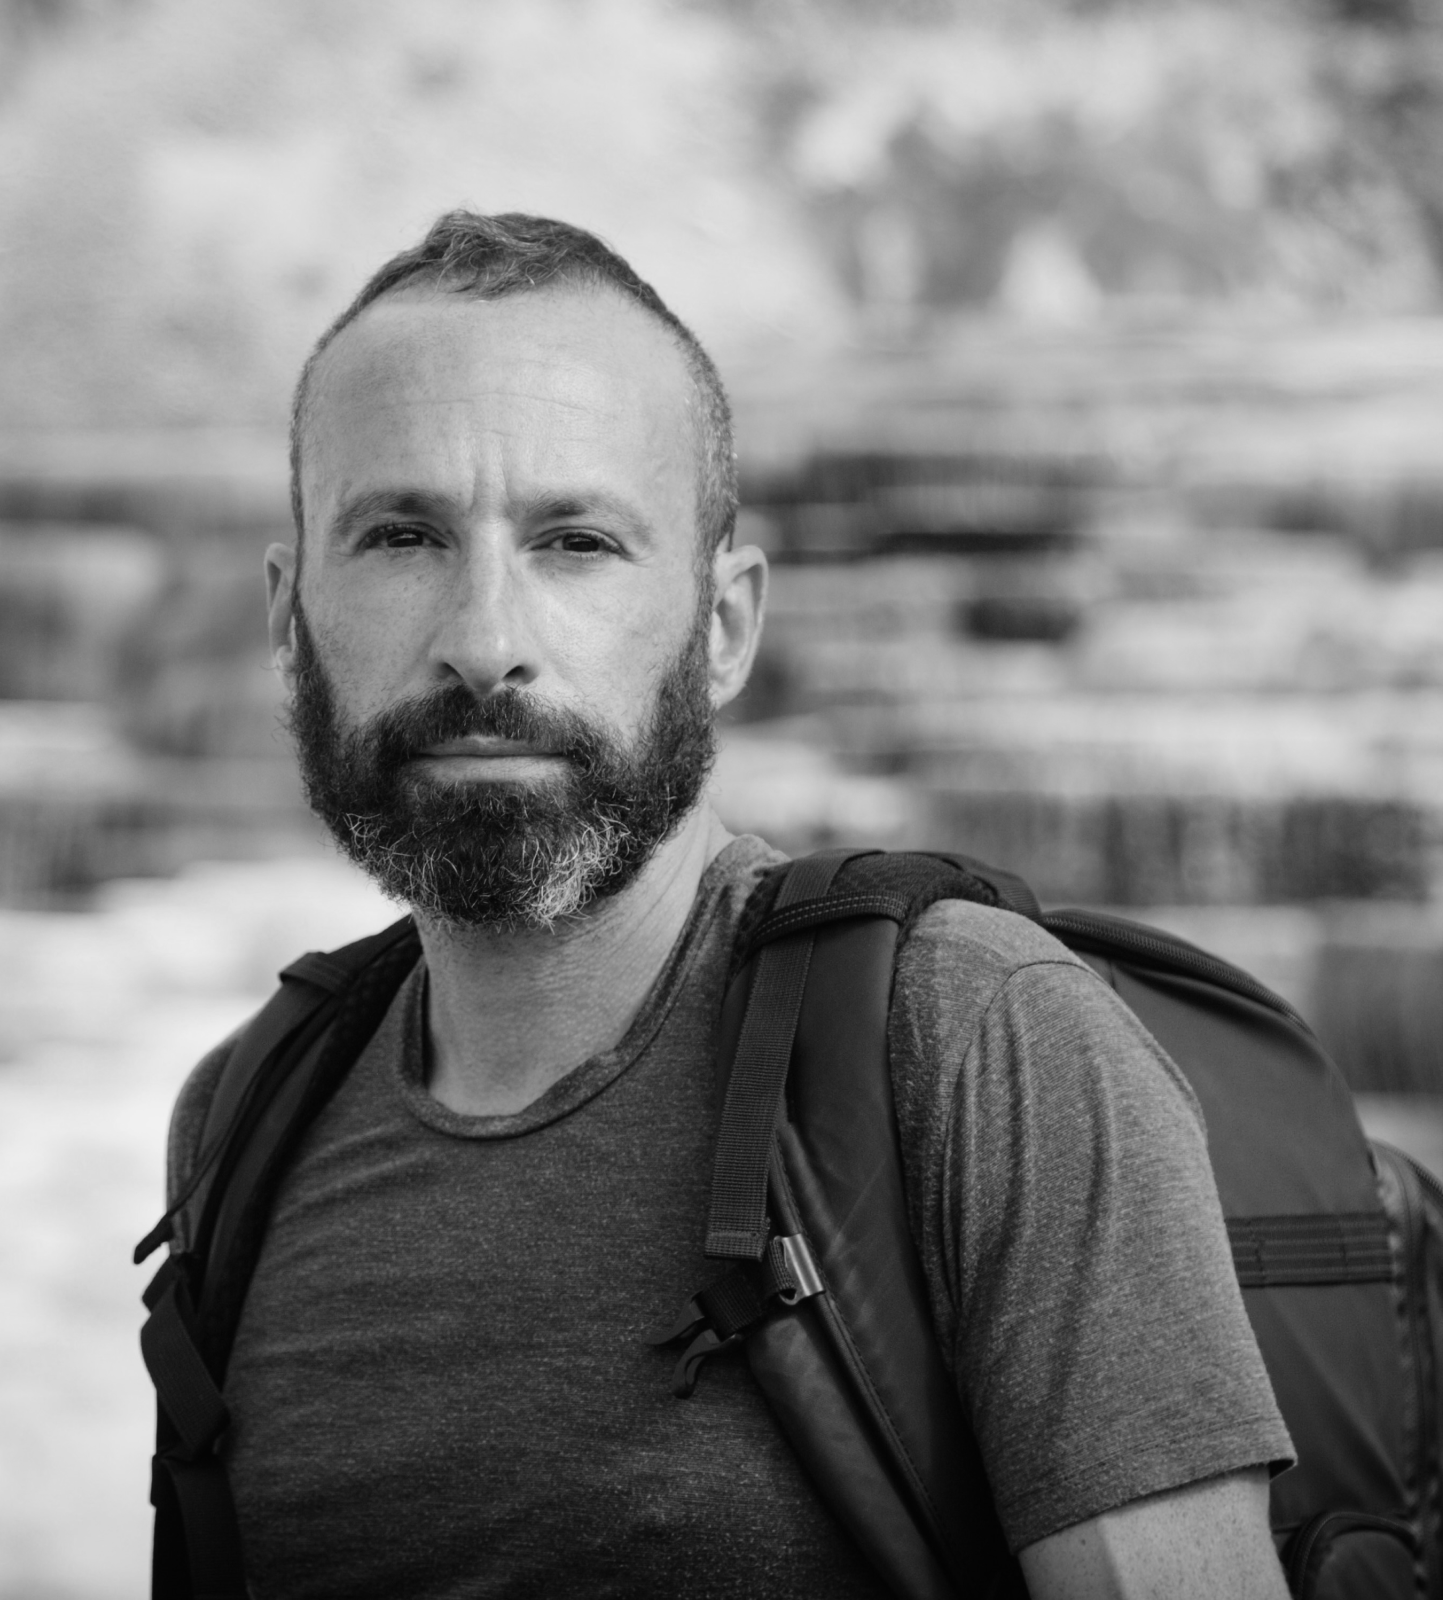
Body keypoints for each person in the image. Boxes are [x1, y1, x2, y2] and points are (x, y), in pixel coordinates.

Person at [166, 210, 1294, 1598]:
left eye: (576, 543)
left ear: (725, 627)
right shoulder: (249, 1118)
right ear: (289, 619)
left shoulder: (978, 1043)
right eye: (402, 537)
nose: (485, 643)